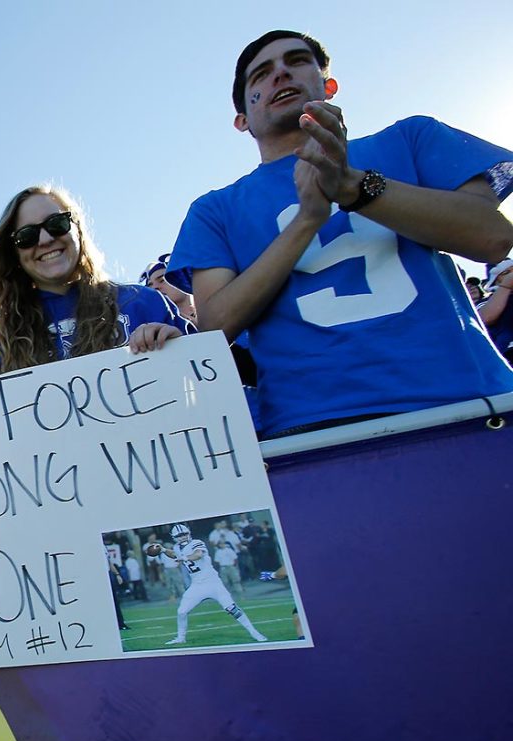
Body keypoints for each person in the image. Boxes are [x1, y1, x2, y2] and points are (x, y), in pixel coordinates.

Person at [169, 29, 513, 439]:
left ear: (328, 86)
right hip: (312, 429)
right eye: (261, 74)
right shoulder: (215, 209)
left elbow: (492, 237)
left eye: (296, 61)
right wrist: (306, 221)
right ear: (242, 119)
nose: (280, 74)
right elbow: (215, 323)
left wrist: (352, 187)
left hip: (469, 401)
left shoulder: (410, 138)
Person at [0, 185, 189, 374]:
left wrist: (181, 348)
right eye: (27, 236)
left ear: (77, 229)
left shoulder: (145, 303)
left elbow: (208, 384)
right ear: (15, 253)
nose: (45, 239)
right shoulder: (0, 339)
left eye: (57, 223)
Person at [158, 523, 267, 645]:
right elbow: (174, 554)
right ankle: (180, 638)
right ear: (174, 537)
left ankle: (254, 632)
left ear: (188, 533)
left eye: (184, 534)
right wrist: (163, 550)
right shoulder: (177, 547)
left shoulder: (196, 543)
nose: (183, 537)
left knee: (232, 609)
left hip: (212, 583)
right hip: (196, 585)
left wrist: (185, 558)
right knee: (181, 612)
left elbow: (198, 554)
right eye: (179, 535)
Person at [142, 254, 196, 324]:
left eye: (162, 280)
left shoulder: (211, 312)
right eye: (150, 285)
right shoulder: (150, 326)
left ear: (184, 280)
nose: (155, 287)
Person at [478, 259, 513, 362]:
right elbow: (485, 318)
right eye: (506, 273)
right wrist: (506, 287)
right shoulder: (488, 300)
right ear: (496, 281)